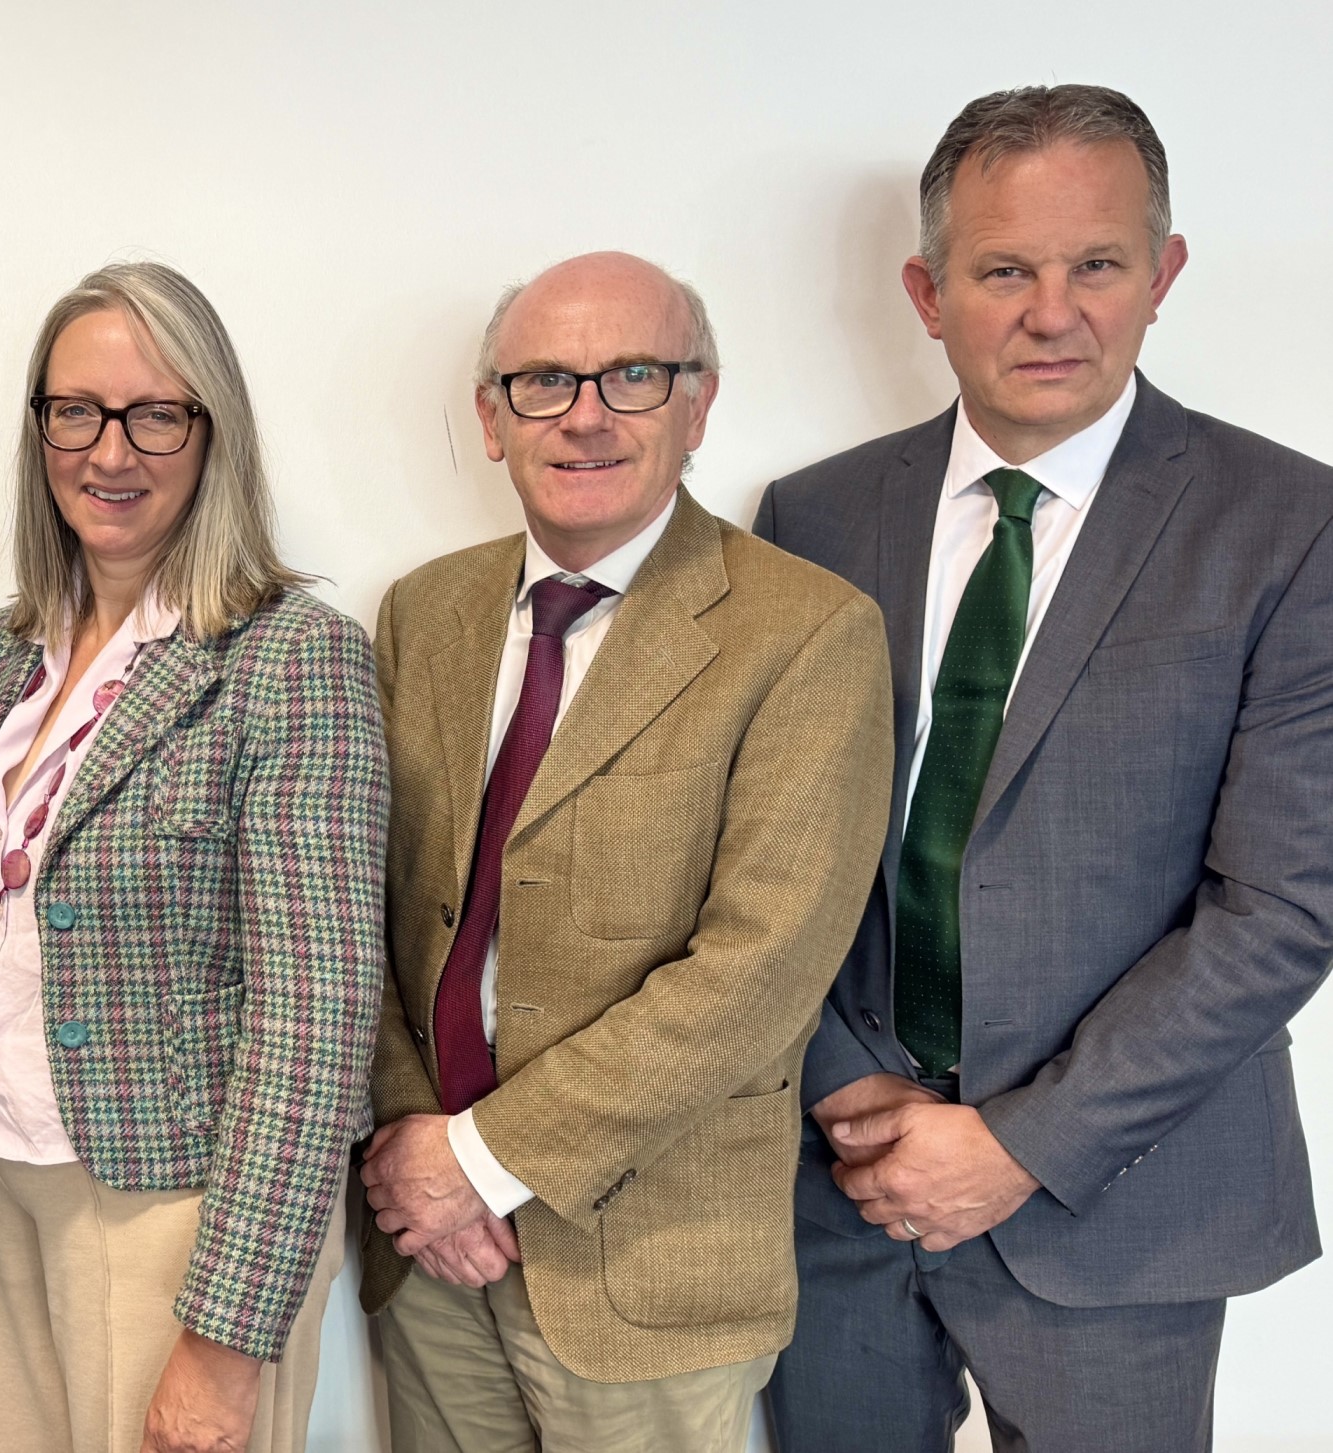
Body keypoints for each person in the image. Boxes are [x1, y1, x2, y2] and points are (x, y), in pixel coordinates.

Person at [757, 83, 1332, 1453]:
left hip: (1118, 1206)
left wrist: (1020, 1144)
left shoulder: (1291, 524)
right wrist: (843, 1081)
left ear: (1163, 275)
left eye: (1098, 264)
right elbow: (760, 847)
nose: (1050, 310)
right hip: (836, 1186)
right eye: (1003, 269)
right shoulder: (815, 516)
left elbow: (1284, 909)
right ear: (927, 289)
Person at [359, 252, 893, 1452]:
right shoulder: (422, 611)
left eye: (632, 375)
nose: (586, 413)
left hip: (649, 1261)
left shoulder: (805, 630)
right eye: (544, 380)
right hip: (424, 1244)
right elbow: (368, 908)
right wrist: (410, 1143)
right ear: (492, 419)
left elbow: (758, 974)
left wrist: (483, 1162)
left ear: (698, 405)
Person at [0, 261, 386, 1453]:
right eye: (77, 411)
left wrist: (226, 1334)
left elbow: (314, 1021)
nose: (111, 452)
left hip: (184, 1212)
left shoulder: (290, 657)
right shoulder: (5, 656)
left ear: (213, 432)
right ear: (38, 428)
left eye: (156, 413)